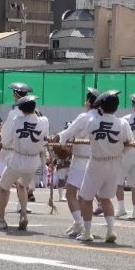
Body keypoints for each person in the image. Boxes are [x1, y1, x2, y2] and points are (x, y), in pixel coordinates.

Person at [56, 90, 133, 243]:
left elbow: (72, 133)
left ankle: (87, 231)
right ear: (117, 107)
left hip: (96, 162)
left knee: (85, 198)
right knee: (105, 198)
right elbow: (129, 144)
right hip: (114, 162)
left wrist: (61, 139)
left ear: (100, 106)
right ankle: (110, 230)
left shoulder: (92, 121)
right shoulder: (123, 123)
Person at [0, 95, 49, 231]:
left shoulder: (16, 120)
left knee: (3, 187)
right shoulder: (44, 121)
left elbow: (6, 141)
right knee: (22, 185)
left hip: (17, 159)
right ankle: (23, 213)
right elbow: (44, 141)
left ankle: (1, 219)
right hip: (33, 161)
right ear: (34, 108)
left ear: (21, 109)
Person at [60, 88, 99, 237]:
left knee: (70, 193)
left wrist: (59, 139)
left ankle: (79, 223)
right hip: (95, 159)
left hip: (80, 160)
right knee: (85, 196)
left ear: (89, 102)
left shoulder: (84, 117)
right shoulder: (100, 118)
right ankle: (82, 224)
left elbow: (68, 132)